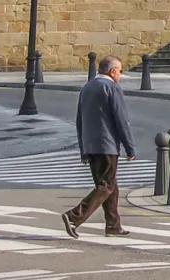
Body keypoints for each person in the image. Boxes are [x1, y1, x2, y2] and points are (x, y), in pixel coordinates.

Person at [61, 54, 136, 238]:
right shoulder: (111, 88)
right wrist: (130, 147)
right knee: (106, 186)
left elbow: (79, 120)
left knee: (111, 186)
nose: (120, 75)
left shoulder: (87, 87)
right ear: (112, 71)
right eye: (119, 71)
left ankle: (113, 225)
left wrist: (83, 148)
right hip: (107, 145)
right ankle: (74, 216)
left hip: (90, 145)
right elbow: (121, 120)